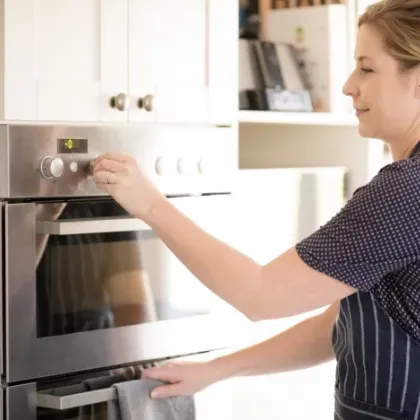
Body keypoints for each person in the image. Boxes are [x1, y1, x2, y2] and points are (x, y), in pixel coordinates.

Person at [92, 0, 420, 417]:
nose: (348, 86)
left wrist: (152, 205)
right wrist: (215, 369)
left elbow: (261, 295)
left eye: (367, 69)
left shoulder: (407, 191)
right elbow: (338, 327)